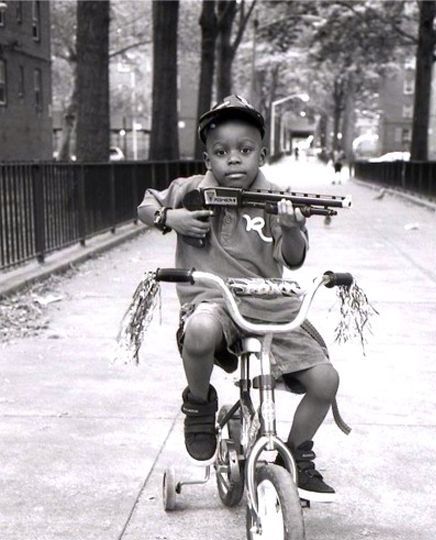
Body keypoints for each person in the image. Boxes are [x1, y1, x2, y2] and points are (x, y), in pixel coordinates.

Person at [137, 95, 341, 502]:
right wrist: (167, 217)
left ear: (262, 154)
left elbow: (293, 260)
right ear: (207, 159)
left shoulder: (278, 197)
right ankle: (198, 404)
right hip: (213, 300)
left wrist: (293, 229)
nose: (234, 160)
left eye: (245, 151)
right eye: (221, 152)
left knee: (326, 380)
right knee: (197, 331)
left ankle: (295, 455)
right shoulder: (189, 190)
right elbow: (146, 205)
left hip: (270, 304)